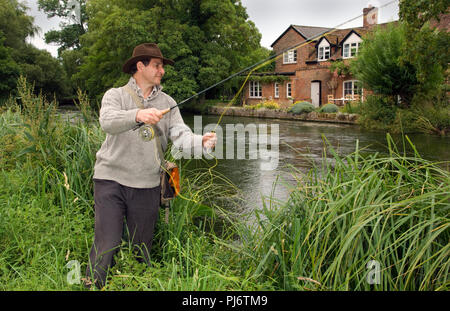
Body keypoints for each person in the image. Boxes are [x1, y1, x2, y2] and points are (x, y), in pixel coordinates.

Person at [84, 43, 216, 289]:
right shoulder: (116, 95)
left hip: (146, 184)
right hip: (110, 180)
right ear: (140, 66)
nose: (162, 70)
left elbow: (181, 136)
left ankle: (136, 284)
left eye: (162, 66)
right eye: (157, 65)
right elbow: (107, 122)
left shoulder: (168, 102)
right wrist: (138, 115)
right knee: (108, 242)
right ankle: (92, 286)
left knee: (141, 247)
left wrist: (202, 142)